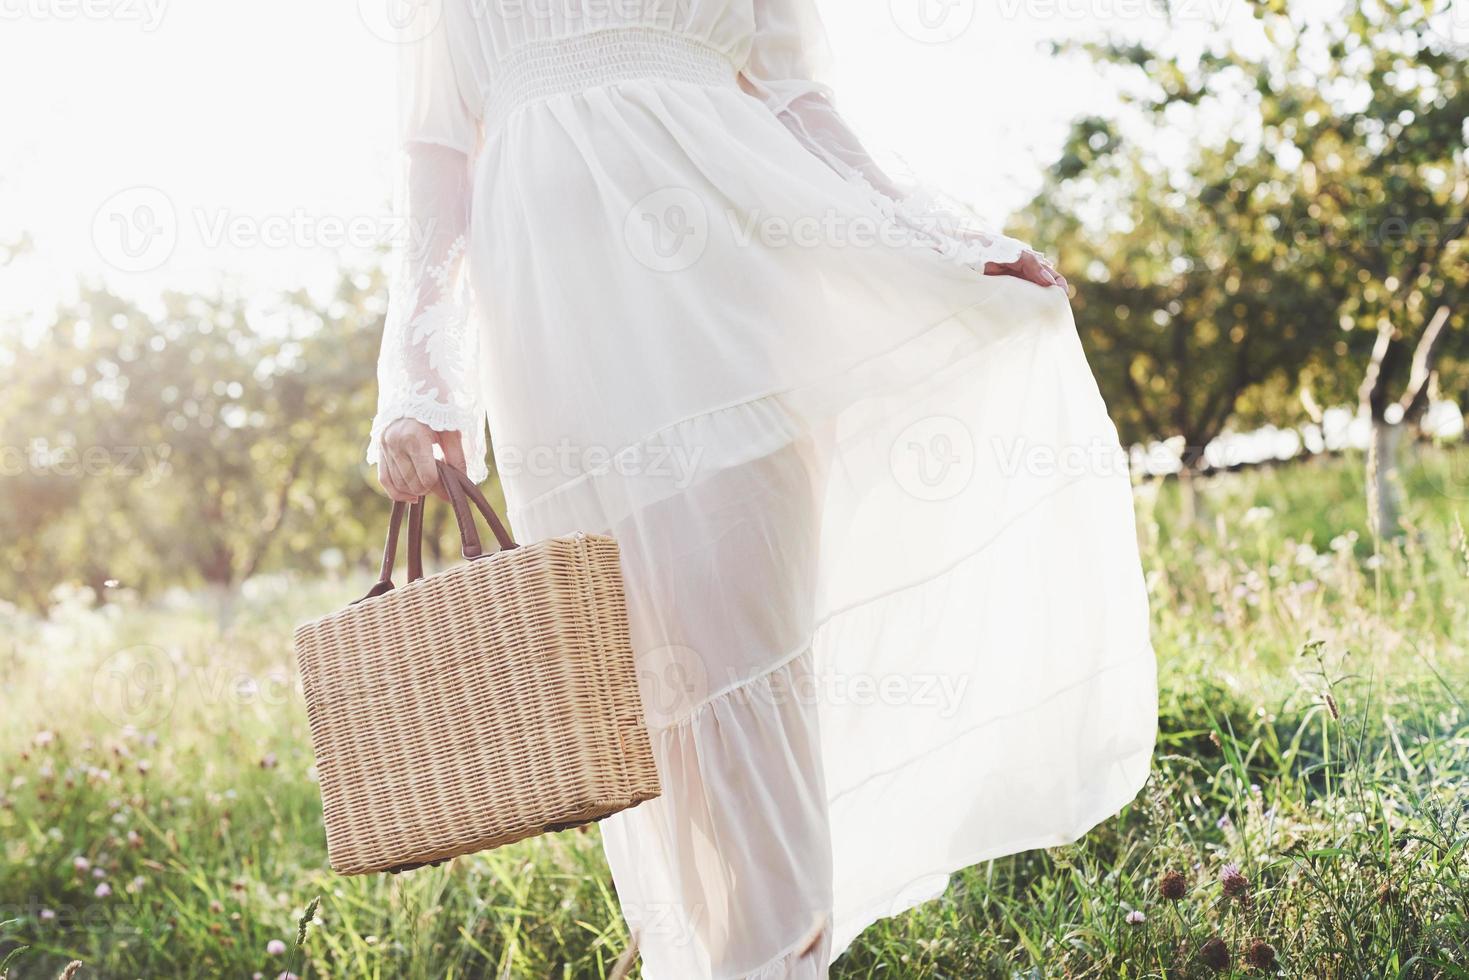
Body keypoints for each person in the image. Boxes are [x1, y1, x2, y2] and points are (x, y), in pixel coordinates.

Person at [368, 2, 1157, 976]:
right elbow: (435, 154)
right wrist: (419, 379)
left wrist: (939, 238)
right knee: (654, 697)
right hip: (558, 330)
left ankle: (781, 962)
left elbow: (795, 101)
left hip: (735, 284)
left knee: (753, 665)